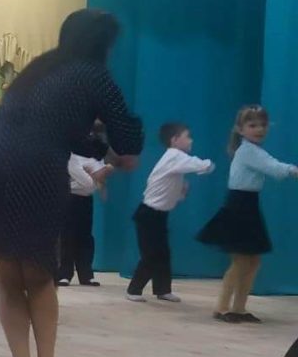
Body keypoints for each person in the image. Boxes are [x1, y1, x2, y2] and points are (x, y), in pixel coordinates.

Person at [0, 10, 143, 357]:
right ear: (104, 44)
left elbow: (46, 128)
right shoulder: (95, 75)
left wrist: (97, 144)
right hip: (40, 172)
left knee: (8, 277)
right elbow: (124, 136)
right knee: (39, 274)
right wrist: (117, 150)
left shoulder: (38, 70)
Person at [198, 106, 297, 323]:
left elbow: (272, 164)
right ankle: (222, 308)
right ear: (240, 129)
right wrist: (293, 170)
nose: (259, 129)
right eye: (253, 125)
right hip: (239, 207)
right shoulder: (248, 151)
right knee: (241, 261)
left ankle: (239, 308)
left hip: (248, 206)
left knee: (253, 261)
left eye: (263, 125)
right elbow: (273, 167)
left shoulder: (254, 150)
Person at [126, 122, 214, 303]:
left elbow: (169, 191)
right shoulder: (174, 155)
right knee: (151, 254)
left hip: (158, 215)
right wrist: (209, 165)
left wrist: (181, 192)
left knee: (163, 253)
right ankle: (133, 289)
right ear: (174, 140)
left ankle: (163, 289)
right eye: (187, 136)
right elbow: (198, 165)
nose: (191, 140)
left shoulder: (174, 160)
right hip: (149, 215)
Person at [56, 142, 113, 287]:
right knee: (68, 236)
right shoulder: (72, 157)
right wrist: (94, 176)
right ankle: (65, 274)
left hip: (86, 199)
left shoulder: (95, 157)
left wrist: (97, 174)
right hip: (70, 198)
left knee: (86, 237)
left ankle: (86, 275)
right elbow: (88, 182)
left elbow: (100, 180)